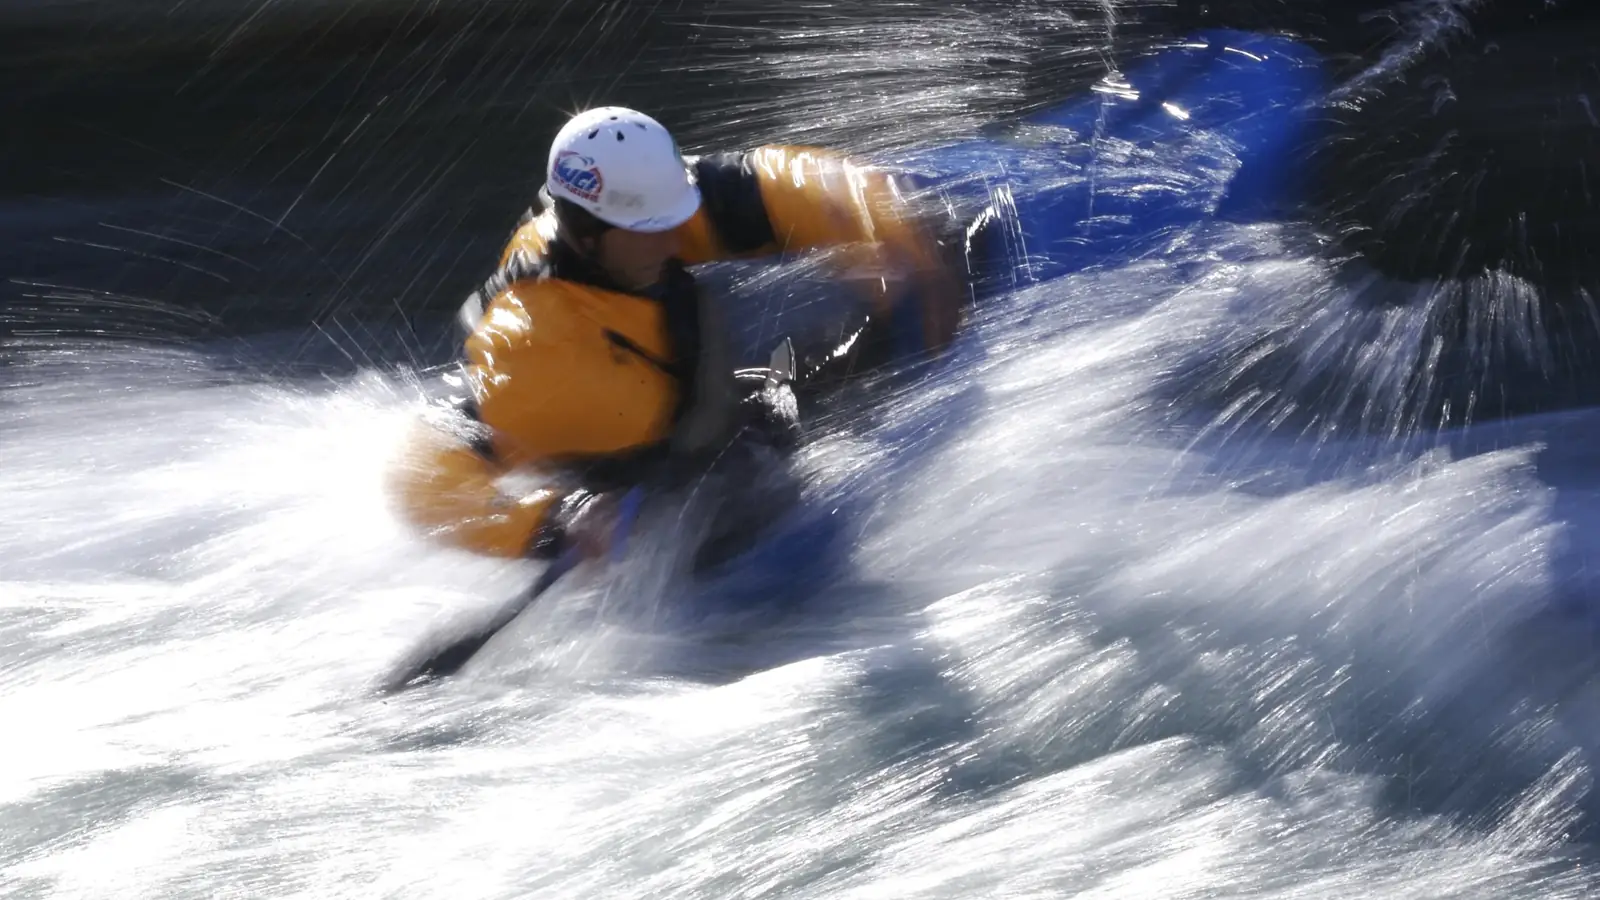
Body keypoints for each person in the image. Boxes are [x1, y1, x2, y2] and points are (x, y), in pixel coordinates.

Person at [386, 106, 978, 568]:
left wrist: (902, 231)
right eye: (652, 230)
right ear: (585, 232)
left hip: (691, 393)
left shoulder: (633, 216)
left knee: (840, 302)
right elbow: (422, 470)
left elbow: (771, 184)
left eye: (673, 217)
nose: (674, 239)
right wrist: (547, 524)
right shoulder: (535, 350)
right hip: (646, 490)